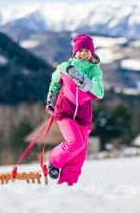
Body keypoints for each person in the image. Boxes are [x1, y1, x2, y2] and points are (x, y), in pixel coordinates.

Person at [45, 34, 104, 186]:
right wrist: (51, 102)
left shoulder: (94, 71)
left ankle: (66, 188)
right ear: (74, 52)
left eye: (87, 51)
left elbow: (99, 93)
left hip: (83, 118)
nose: (83, 54)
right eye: (80, 50)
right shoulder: (64, 68)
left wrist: (83, 81)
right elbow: (55, 84)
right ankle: (54, 159)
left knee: (79, 156)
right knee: (75, 143)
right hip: (65, 113)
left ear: (92, 53)